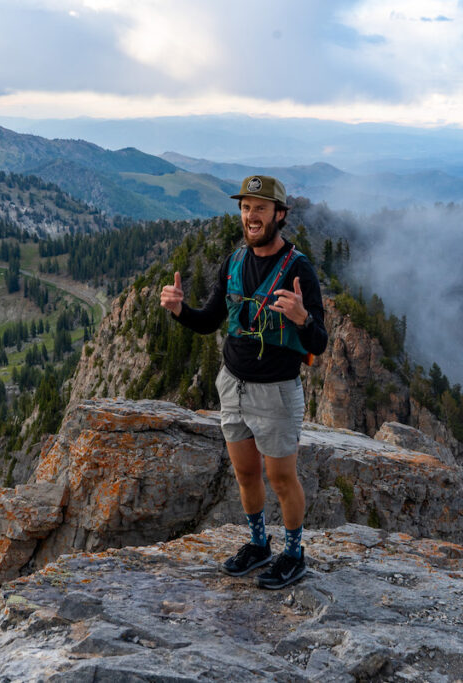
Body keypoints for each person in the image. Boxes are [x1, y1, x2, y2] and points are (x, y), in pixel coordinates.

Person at [160, 175, 328, 589]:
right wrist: (181, 310)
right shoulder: (234, 261)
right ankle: (258, 544)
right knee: (246, 474)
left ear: (280, 215)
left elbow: (320, 343)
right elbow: (210, 321)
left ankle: (294, 553)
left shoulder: (298, 269)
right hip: (232, 383)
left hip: (275, 391)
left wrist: (302, 319)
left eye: (260, 208)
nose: (251, 216)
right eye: (245, 208)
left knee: (281, 478)